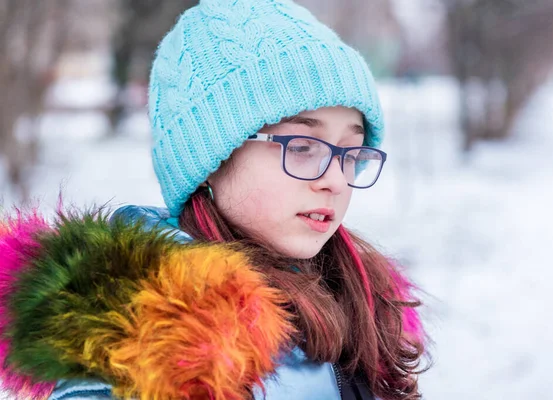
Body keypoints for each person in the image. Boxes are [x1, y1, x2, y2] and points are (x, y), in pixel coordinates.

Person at [0, 0, 426, 399]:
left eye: (350, 153)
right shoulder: (133, 345)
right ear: (208, 161)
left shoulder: (369, 310)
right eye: (301, 147)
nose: (336, 180)